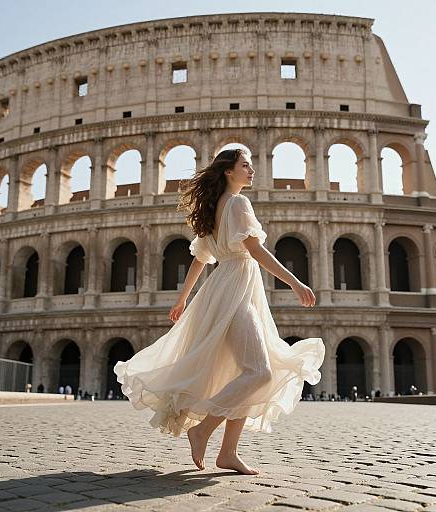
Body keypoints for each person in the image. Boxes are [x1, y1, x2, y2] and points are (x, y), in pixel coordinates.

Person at [114, 149, 325, 475]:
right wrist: (296, 283)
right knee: (260, 372)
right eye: (245, 165)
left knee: (242, 372)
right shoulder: (239, 204)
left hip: (223, 287)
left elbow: (200, 259)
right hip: (236, 290)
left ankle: (228, 453)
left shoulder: (215, 209)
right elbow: (255, 251)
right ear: (228, 171)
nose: (251, 170)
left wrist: (183, 298)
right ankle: (203, 431)